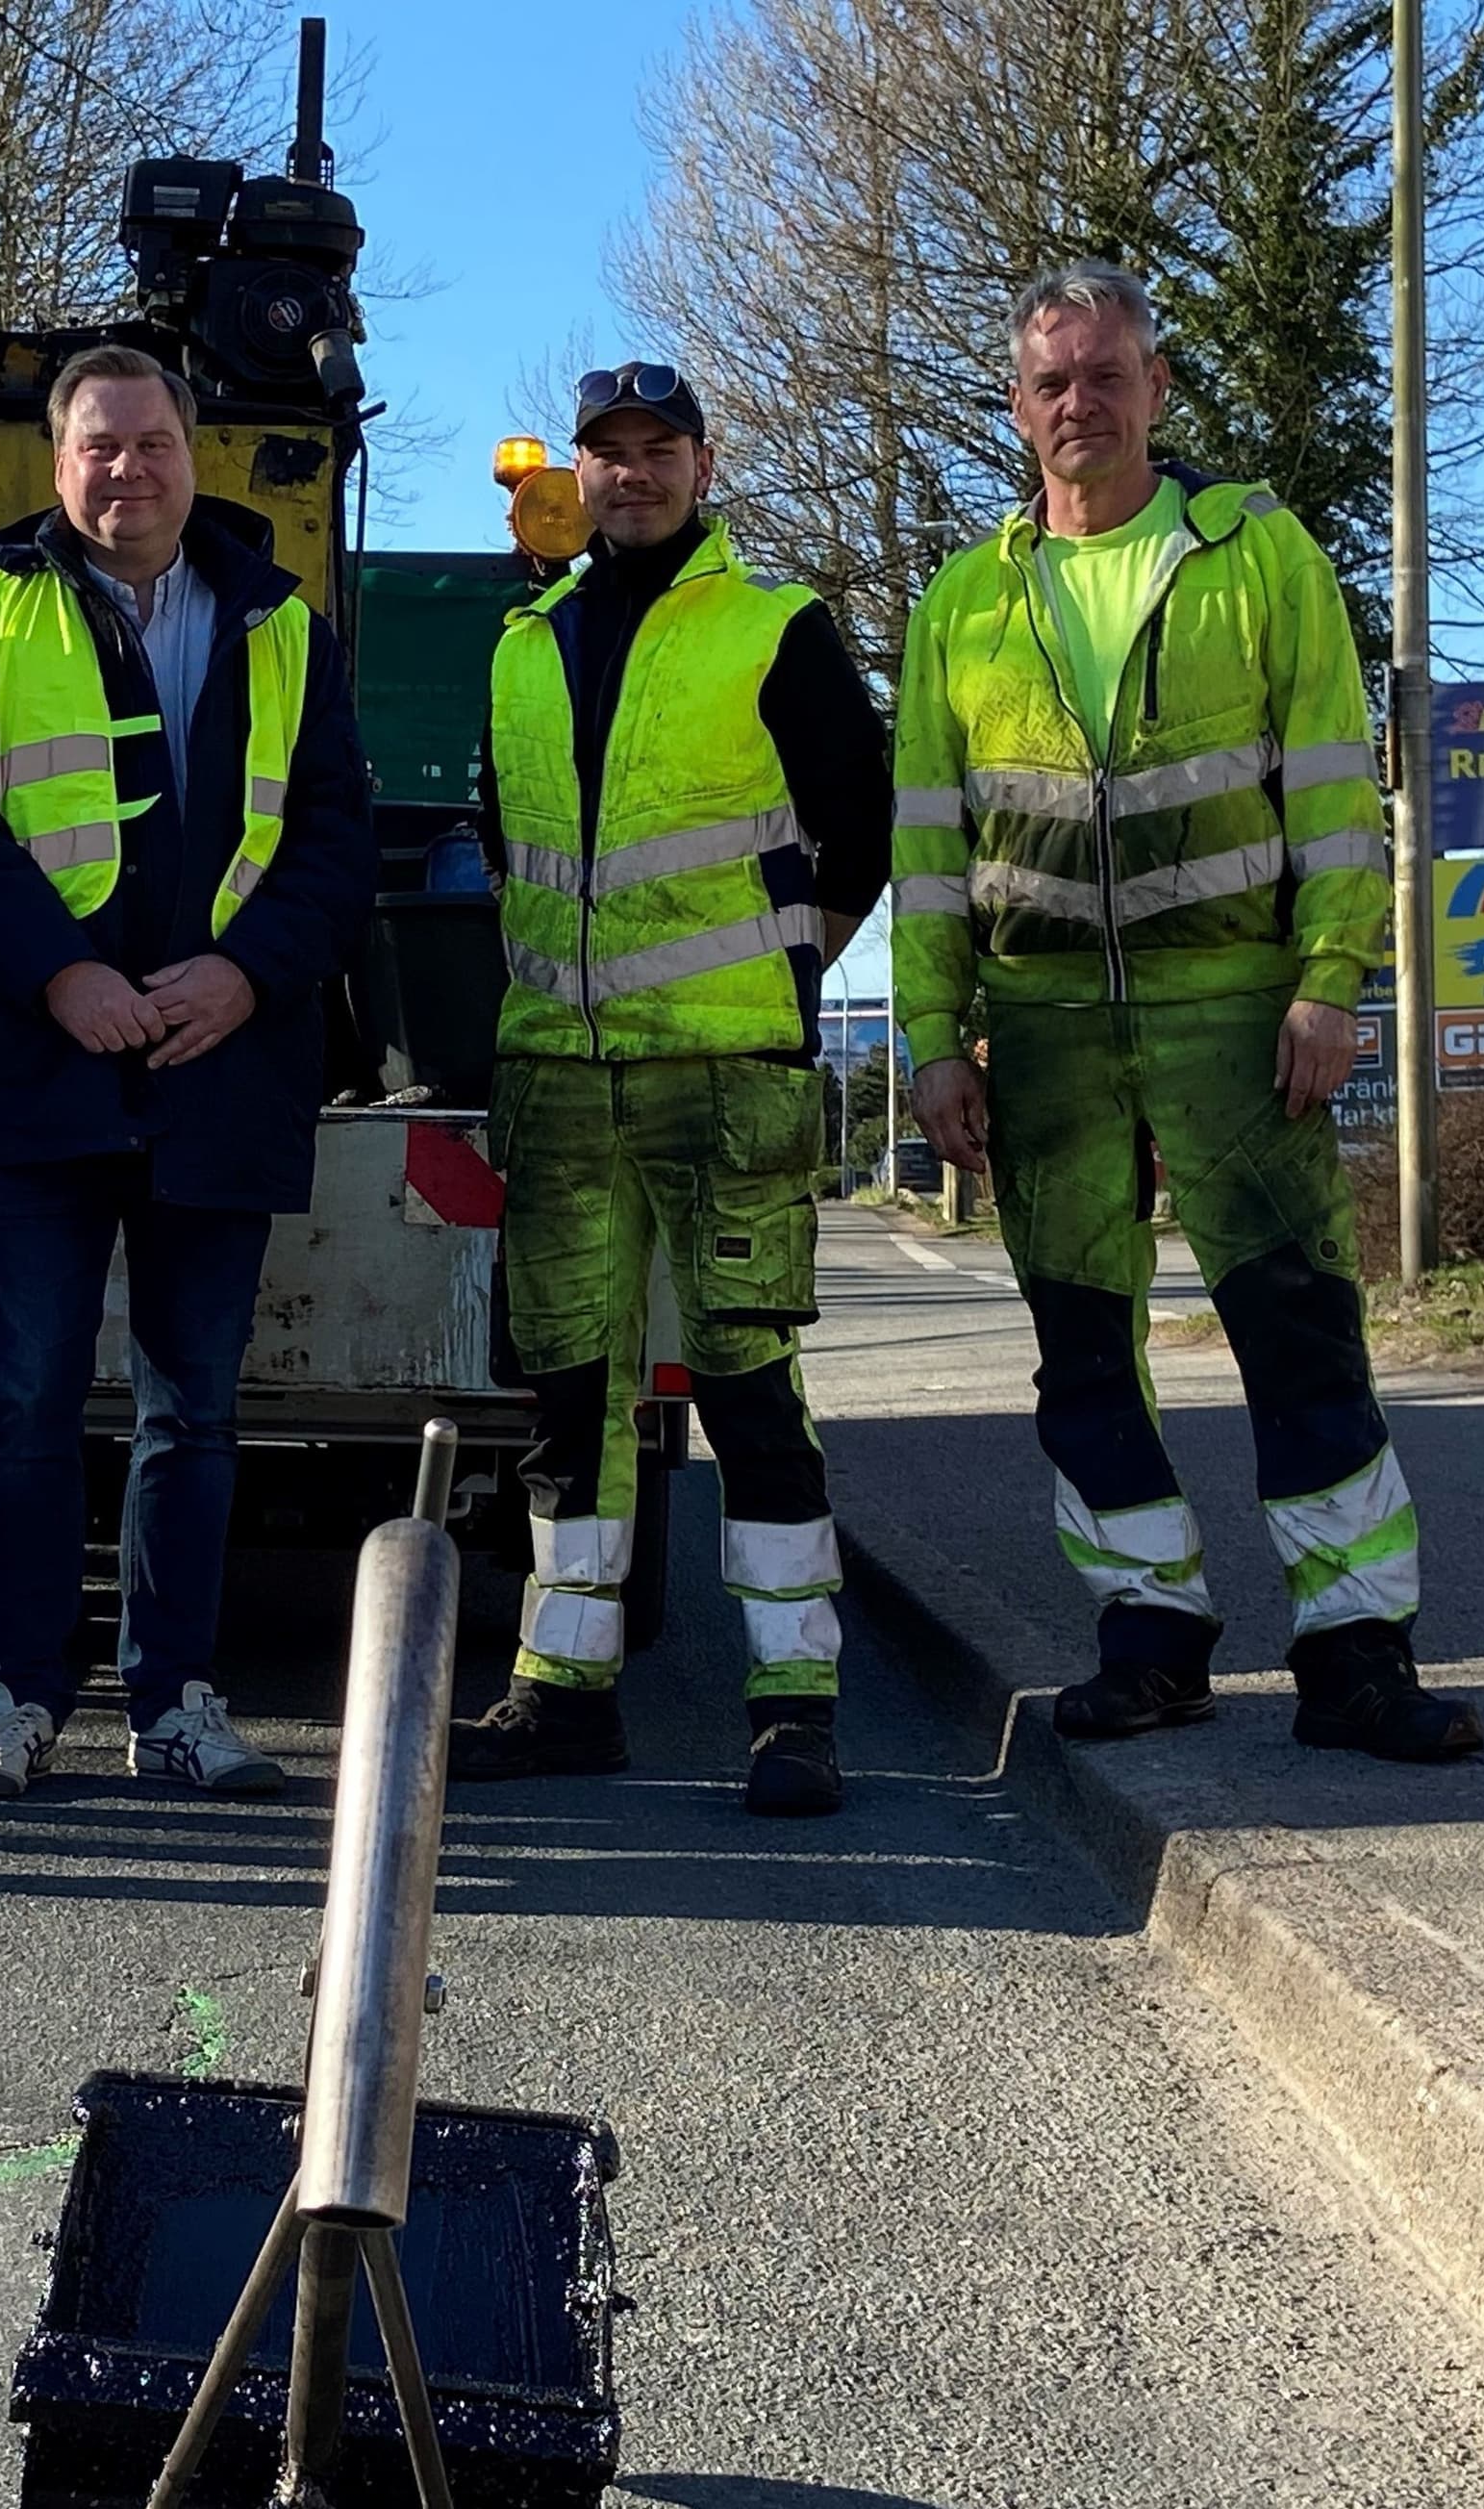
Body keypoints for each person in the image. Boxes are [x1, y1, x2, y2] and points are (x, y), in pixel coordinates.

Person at [892, 261, 1482, 1761]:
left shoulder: (1258, 551)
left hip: (1238, 1013)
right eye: (1050, 383)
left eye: (1105, 376)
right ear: (1018, 410)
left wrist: (1332, 982)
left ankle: (1357, 1655)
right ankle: (1150, 1639)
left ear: (1156, 390)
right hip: (1040, 1032)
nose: (1078, 404)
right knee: (1084, 1350)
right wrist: (931, 1041)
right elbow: (929, 847)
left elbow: (1339, 788)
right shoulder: (965, 600)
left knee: (1293, 1326)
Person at [0, 344, 376, 1800]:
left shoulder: (284, 628)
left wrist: (250, 973)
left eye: (153, 441)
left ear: (193, 453)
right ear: (57, 465)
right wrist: (66, 975)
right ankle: (19, 1697)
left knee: (196, 1412)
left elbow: (336, 844)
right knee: (29, 1401)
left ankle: (176, 1703)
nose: (128, 468)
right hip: (46, 1068)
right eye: (97, 446)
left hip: (225, 1068)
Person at [445, 361, 891, 1817]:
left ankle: (795, 1708)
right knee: (571, 1404)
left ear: (707, 466)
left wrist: (783, 977)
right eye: (608, 452)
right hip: (561, 1084)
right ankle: (564, 1694)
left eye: (658, 450)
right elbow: (508, 848)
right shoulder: (523, 645)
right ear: (576, 471)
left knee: (752, 1396)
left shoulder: (778, 631)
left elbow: (861, 826)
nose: (630, 473)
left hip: (724, 1078)